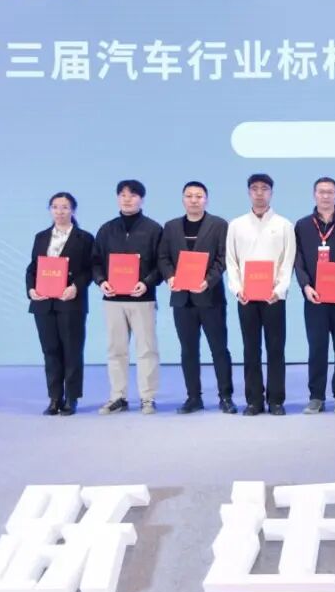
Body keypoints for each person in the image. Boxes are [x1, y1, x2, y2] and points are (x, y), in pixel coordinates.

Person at [157, 181, 235, 414]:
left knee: (219, 349)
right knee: (188, 350)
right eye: (189, 196)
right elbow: (163, 257)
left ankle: (225, 397)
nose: (194, 200)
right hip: (182, 299)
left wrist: (208, 281)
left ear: (206, 199)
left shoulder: (219, 225)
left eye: (198, 196)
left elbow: (223, 258)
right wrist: (170, 277)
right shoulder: (171, 226)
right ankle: (193, 397)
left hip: (210, 298)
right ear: (183, 199)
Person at [225, 173, 296, 416]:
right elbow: (231, 261)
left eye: (264, 188)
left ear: (271, 193)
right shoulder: (236, 225)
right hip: (246, 297)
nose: (259, 192)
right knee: (250, 349)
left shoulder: (284, 225)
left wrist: (279, 290)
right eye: (254, 188)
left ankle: (276, 400)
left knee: (276, 349)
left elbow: (288, 261)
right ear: (248, 192)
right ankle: (254, 400)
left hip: (273, 297)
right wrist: (237, 289)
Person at [92, 180, 164, 415]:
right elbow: (95, 262)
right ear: (117, 198)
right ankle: (118, 397)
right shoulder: (106, 229)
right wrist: (101, 281)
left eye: (132, 195)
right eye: (122, 195)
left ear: (141, 199)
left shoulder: (153, 229)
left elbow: (162, 263)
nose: (127, 199)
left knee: (147, 350)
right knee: (116, 350)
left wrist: (147, 283)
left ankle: (148, 397)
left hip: (142, 299)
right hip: (113, 300)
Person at [293, 177, 335, 414]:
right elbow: (298, 260)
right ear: (314, 195)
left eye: (330, 192)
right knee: (317, 348)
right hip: (315, 298)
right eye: (321, 192)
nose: (325, 196)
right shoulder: (302, 225)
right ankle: (316, 397)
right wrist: (305, 286)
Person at [26, 192, 94, 416]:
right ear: (50, 210)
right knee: (50, 350)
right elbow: (33, 268)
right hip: (44, 303)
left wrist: (76, 286)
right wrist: (31, 289)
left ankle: (71, 398)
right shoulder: (41, 237)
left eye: (65, 207)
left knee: (72, 350)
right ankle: (54, 397)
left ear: (73, 210)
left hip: (70, 301)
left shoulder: (84, 238)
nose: (60, 211)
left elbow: (90, 270)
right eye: (55, 207)